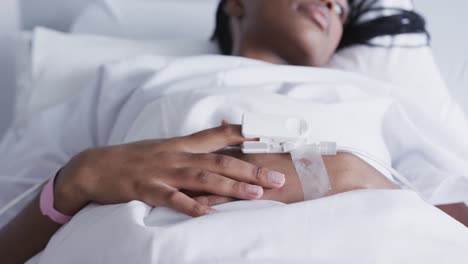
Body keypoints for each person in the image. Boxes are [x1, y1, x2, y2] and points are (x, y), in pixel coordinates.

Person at [1, 0, 466, 263]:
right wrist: (79, 177)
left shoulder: (382, 99)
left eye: (343, 9)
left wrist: (351, 176)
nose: (332, 3)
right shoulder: (130, 79)